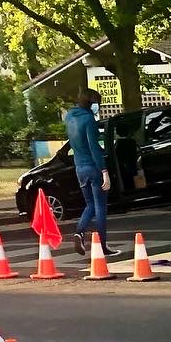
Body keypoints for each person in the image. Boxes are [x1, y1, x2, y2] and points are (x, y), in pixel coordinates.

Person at [65, 87, 116, 257]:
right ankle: (102, 245)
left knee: (90, 205)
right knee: (100, 206)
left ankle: (79, 232)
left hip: (79, 167)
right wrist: (104, 171)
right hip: (93, 167)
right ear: (91, 103)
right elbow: (94, 148)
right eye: (97, 103)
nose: (98, 107)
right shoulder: (89, 120)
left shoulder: (70, 117)